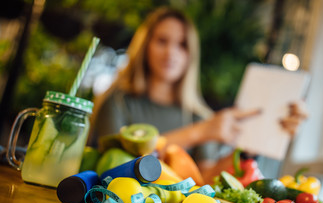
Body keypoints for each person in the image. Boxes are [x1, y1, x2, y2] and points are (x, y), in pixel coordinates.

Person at [89, 7, 306, 182]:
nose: (171, 52)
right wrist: (199, 132)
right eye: (162, 41)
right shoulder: (117, 102)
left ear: (190, 55)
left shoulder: (197, 116)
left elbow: (205, 179)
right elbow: (115, 166)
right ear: (145, 46)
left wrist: (252, 144)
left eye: (182, 45)